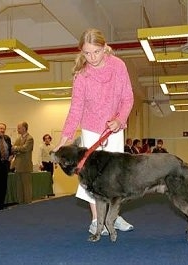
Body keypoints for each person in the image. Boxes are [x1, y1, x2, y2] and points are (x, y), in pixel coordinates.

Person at [52, 28, 134, 235]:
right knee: (92, 176)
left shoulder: (118, 66)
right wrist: (65, 137)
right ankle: (97, 219)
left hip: (113, 128)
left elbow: (128, 97)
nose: (92, 57)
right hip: (91, 130)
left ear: (104, 48)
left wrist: (120, 119)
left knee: (114, 176)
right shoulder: (82, 75)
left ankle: (113, 217)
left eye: (96, 52)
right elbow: (76, 108)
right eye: (87, 53)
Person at [12, 121, 34, 204]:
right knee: (19, 186)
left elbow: (25, 148)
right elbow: (13, 149)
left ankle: (28, 203)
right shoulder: (18, 138)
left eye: (19, 128)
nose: (17, 129)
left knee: (26, 186)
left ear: (24, 128)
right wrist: (17, 148)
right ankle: (20, 203)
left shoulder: (30, 138)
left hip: (25, 166)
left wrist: (16, 148)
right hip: (18, 166)